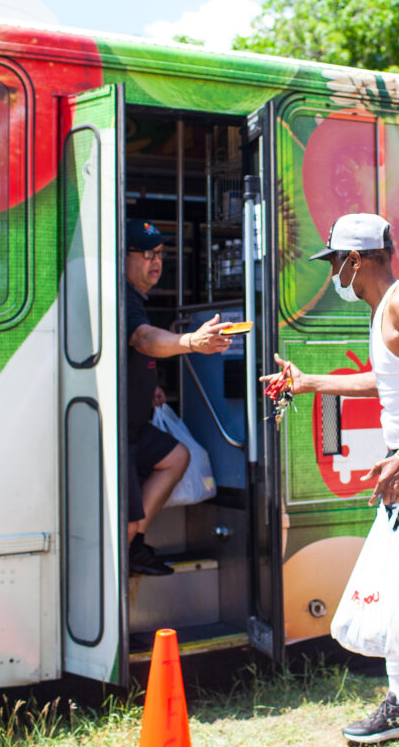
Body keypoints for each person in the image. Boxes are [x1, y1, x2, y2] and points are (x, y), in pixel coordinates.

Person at [261, 213, 399, 747]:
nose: (333, 271)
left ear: (356, 259)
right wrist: (311, 383)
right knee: (396, 582)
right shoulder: (384, 309)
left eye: (335, 261)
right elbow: (387, 379)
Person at [125, 219, 231, 575]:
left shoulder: (135, 298)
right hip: (120, 435)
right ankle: (120, 568)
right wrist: (191, 343)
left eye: (159, 254)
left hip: (138, 427)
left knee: (176, 456)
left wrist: (146, 385)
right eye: (144, 253)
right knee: (125, 519)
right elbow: (141, 339)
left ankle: (134, 545)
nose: (155, 262)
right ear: (120, 256)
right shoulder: (121, 296)